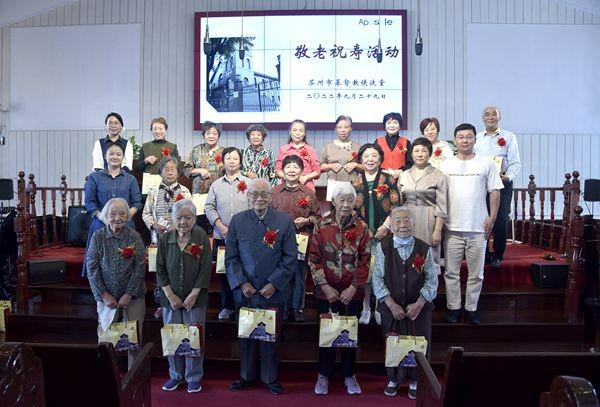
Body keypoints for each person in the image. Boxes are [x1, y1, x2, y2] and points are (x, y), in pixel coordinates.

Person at [226, 179, 297, 395]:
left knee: (270, 338)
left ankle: (269, 378)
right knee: (246, 336)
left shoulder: (284, 222)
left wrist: (274, 284)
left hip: (272, 292)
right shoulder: (237, 221)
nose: (259, 198)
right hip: (246, 291)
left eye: (264, 194)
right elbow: (231, 257)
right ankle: (246, 375)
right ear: (248, 196)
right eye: (254, 194)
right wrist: (241, 282)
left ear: (271, 196)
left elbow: (290, 257)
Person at [309, 182, 371, 396]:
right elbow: (314, 258)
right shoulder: (321, 224)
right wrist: (325, 286)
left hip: (352, 294)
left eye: (350, 200)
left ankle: (349, 374)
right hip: (326, 292)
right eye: (341, 200)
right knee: (326, 334)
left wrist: (354, 288)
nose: (346, 204)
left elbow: (365, 261)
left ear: (355, 202)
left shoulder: (362, 228)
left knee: (350, 335)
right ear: (333, 202)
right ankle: (324, 375)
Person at [372, 206, 438, 399]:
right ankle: (393, 378)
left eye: (406, 220)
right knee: (393, 341)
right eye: (398, 221)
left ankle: (416, 380)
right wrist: (391, 304)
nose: (402, 225)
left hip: (418, 309)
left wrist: (419, 304)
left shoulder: (423, 248)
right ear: (391, 225)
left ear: (413, 223)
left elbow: (432, 279)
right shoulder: (382, 246)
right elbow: (377, 278)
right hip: (391, 307)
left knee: (418, 343)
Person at [440, 123, 503, 325]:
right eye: (461, 137)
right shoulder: (445, 165)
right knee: (451, 273)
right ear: (455, 140)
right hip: (452, 227)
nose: (465, 140)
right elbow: (440, 195)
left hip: (478, 227)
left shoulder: (486, 163)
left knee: (477, 274)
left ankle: (471, 309)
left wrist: (492, 218)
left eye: (469, 137)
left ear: (475, 139)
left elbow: (495, 191)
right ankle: (453, 308)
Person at [156, 199, 212, 394]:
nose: (183, 222)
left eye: (188, 218)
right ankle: (175, 375)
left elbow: (205, 268)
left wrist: (194, 294)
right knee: (173, 336)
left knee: (193, 336)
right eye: (179, 218)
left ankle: (193, 377)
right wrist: (170, 295)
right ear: (173, 219)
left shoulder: (201, 236)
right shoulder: (165, 238)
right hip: (169, 299)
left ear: (194, 219)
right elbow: (160, 269)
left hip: (195, 299)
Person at [86, 198, 146, 368]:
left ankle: (133, 374)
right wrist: (104, 295)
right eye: (112, 214)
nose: (117, 218)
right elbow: (92, 268)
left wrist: (129, 294)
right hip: (107, 298)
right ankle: (106, 374)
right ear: (106, 216)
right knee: (105, 340)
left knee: (134, 339)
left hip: (133, 297)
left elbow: (140, 267)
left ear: (127, 216)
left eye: (121, 213)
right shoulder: (98, 237)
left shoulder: (134, 236)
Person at [351, 143, 400, 325]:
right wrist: (363, 228)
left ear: (380, 159)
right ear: (361, 160)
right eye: (366, 156)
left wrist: (386, 227)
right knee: (365, 271)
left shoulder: (389, 179)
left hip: (384, 234)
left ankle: (380, 306)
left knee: (382, 270)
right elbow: (352, 209)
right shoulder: (355, 181)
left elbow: (396, 205)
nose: (370, 159)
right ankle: (365, 307)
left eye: (374, 156)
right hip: (363, 236)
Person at [204, 147, 251, 321]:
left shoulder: (249, 183)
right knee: (224, 273)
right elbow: (208, 207)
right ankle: (228, 306)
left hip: (244, 237)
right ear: (223, 161)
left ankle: (244, 306)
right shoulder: (216, 185)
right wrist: (221, 226)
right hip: (221, 237)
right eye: (228, 158)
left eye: (235, 158)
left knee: (245, 271)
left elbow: (254, 207)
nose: (231, 161)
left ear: (240, 161)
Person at [271, 155, 321, 322]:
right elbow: (267, 216)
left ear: (301, 171)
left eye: (295, 167)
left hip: (301, 240)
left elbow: (318, 217)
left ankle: (298, 308)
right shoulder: (274, 192)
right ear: (282, 171)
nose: (292, 170)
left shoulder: (309, 193)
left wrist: (307, 220)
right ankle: (283, 307)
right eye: (288, 167)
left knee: (300, 274)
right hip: (278, 241)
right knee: (281, 273)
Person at [83, 143, 142, 276]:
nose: (115, 157)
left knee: (128, 262)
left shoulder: (130, 179)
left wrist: (125, 218)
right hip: (101, 223)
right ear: (105, 156)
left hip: (126, 224)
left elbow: (137, 203)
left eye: (118, 154)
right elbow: (89, 202)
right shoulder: (94, 177)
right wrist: (104, 218)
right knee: (99, 263)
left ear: (123, 157)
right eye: (111, 154)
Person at [474, 106, 522, 268]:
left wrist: (507, 177)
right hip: (481, 184)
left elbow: (515, 163)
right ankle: (484, 252)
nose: (490, 117)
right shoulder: (477, 137)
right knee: (482, 217)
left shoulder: (509, 136)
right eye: (487, 114)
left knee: (501, 218)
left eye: (494, 114)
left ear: (499, 117)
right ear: (482, 118)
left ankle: (498, 254)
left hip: (502, 183)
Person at [395, 137, 447, 269]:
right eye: (416, 150)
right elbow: (398, 203)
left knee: (428, 260)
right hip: (406, 219)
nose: (419, 154)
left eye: (423, 151)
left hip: (428, 219)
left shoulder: (438, 175)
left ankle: (429, 290)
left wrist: (437, 231)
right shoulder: (404, 175)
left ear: (429, 154)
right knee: (407, 259)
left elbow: (442, 206)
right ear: (411, 153)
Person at [183, 120, 224, 232]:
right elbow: (186, 170)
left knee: (216, 224)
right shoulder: (196, 150)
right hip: (199, 194)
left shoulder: (224, 152)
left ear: (218, 136)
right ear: (203, 135)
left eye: (214, 133)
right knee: (199, 226)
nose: (211, 136)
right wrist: (199, 170)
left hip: (218, 194)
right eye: (208, 133)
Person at [142, 157, 191, 244]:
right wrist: (154, 225)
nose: (170, 173)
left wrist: (177, 226)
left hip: (180, 237)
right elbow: (146, 213)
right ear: (160, 173)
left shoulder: (185, 192)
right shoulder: (153, 192)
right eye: (166, 169)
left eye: (173, 169)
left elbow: (190, 215)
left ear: (178, 173)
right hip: (158, 237)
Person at [275, 119, 321, 191]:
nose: (298, 133)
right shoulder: (283, 149)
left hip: (306, 187)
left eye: (301, 130)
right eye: (295, 130)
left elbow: (317, 171)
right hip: (287, 187)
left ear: (304, 133)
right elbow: (278, 171)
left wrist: (306, 177)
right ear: (290, 132)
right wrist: (289, 177)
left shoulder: (311, 150)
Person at [320, 115, 361, 183]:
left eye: (346, 127)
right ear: (336, 129)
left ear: (351, 129)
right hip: (333, 184)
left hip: (353, 184)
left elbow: (365, 168)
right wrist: (331, 166)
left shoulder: (357, 147)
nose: (343, 130)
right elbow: (319, 167)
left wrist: (355, 165)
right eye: (339, 127)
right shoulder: (328, 147)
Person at [375, 112, 412, 178]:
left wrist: (401, 171)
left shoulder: (406, 142)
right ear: (384, 125)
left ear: (400, 125)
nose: (392, 126)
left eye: (395, 123)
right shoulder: (378, 141)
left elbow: (410, 163)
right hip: (382, 177)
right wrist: (383, 171)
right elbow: (374, 161)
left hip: (402, 177)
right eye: (389, 123)